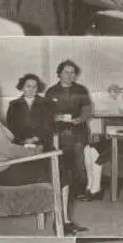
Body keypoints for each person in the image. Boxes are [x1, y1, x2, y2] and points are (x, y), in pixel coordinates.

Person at [0, 75, 83, 235]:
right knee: (60, 168)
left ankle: (62, 219)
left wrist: (4, 132)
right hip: (3, 170)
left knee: (49, 163)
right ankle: (62, 223)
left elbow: (8, 137)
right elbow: (8, 149)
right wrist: (33, 151)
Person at [44, 60, 92, 197]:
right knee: (63, 160)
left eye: (73, 73)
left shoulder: (81, 90)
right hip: (59, 133)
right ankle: (65, 191)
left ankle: (80, 190)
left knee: (79, 159)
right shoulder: (51, 92)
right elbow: (46, 115)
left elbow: (88, 111)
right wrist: (55, 117)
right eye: (66, 72)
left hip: (78, 131)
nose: (70, 75)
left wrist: (81, 119)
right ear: (59, 73)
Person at [5, 73, 55, 150]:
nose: (31, 90)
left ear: (38, 89)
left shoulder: (46, 103)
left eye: (34, 87)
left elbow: (48, 125)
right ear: (22, 87)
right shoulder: (14, 105)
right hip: (20, 143)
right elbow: (11, 127)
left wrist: (35, 139)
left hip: (42, 142)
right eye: (28, 86)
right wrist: (24, 141)